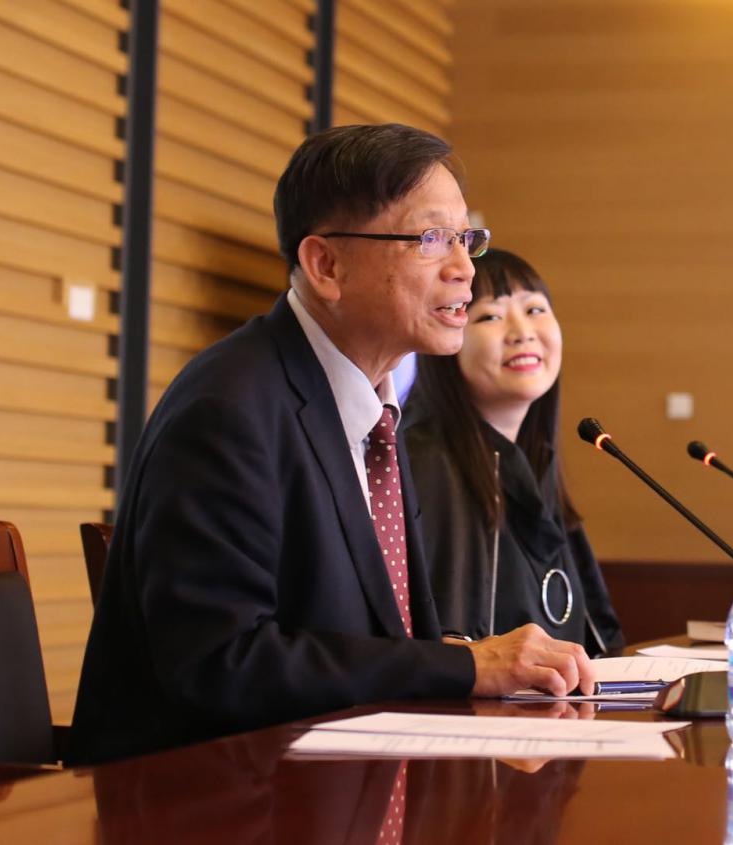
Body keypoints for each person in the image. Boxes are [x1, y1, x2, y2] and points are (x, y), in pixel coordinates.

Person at [69, 124, 594, 765]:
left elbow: (381, 636)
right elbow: (221, 663)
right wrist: (464, 664)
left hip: (346, 778)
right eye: (431, 240)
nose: (464, 269)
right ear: (326, 265)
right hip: (208, 794)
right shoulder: (230, 408)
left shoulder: (374, 412)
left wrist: (468, 660)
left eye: (465, 239)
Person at [402, 249, 624, 656]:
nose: (522, 332)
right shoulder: (426, 462)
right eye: (490, 316)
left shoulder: (534, 462)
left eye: (535, 309)